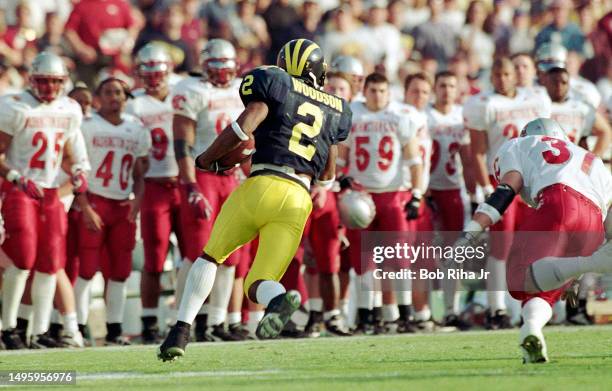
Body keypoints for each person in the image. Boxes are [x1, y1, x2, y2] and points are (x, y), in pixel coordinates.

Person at [158, 38, 352, 361]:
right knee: (258, 282)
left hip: (263, 183)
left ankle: (180, 330)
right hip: (299, 198)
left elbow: (244, 125)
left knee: (210, 257)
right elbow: (328, 174)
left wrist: (207, 158)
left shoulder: (274, 82)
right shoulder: (336, 108)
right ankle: (277, 301)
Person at [456, 118, 611, 363]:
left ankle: (588, 263)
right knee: (542, 289)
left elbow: (507, 190)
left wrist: (471, 231)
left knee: (518, 280)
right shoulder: (591, 158)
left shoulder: (519, 144)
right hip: (594, 224)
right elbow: (608, 218)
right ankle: (532, 330)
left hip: (557, 202)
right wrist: (580, 269)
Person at [0, 52, 88, 349]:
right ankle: (7, 327)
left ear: (63, 82)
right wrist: (15, 178)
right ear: (31, 80)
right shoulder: (16, 106)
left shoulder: (70, 109)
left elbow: (73, 150)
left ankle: (35, 330)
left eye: (55, 82)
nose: (49, 87)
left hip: (51, 191)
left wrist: (78, 171)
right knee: (23, 258)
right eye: (43, 81)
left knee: (50, 263)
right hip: (22, 188)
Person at [463, 57, 551, 329]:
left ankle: (529, 303)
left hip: (530, 179)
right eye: (497, 74)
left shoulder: (536, 99)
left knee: (532, 243)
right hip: (500, 179)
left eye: (506, 74)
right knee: (500, 247)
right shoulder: (484, 104)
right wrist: (484, 187)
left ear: (515, 75)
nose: (502, 79)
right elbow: (477, 151)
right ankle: (496, 308)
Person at [170, 39, 245, 342]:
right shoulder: (191, 91)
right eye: (216, 67)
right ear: (204, 66)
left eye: (227, 67)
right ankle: (185, 319)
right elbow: (183, 145)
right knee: (200, 251)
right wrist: (190, 185)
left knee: (232, 253)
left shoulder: (243, 89)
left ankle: (218, 321)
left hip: (233, 175)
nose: (223, 73)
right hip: (204, 175)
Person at [338, 72, 423, 334]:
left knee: (399, 258)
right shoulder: (353, 114)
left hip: (392, 193)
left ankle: (405, 313)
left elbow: (414, 160)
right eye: (373, 90)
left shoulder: (400, 117)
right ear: (365, 90)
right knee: (363, 259)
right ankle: (366, 314)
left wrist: (417, 193)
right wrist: (342, 179)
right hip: (362, 195)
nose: (377, 95)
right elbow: (341, 157)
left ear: (389, 92)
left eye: (382, 91)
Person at [74, 77, 151, 346]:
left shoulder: (137, 128)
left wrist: (137, 200)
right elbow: (76, 169)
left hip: (122, 205)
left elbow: (141, 173)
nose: (114, 97)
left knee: (120, 270)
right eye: (107, 92)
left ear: (125, 97)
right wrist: (84, 206)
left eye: (118, 93)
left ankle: (114, 329)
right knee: (86, 268)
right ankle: (77, 328)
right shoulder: (86, 125)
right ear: (98, 97)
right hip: (95, 200)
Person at [125, 44, 183, 344]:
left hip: (183, 180)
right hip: (153, 184)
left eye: (158, 73)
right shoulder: (133, 103)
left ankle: (192, 317)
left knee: (193, 256)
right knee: (154, 257)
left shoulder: (183, 92)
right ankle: (149, 319)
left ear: (168, 70)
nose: (154, 80)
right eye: (147, 74)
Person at [426, 71, 474, 329]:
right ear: (435, 88)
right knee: (424, 253)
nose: (446, 90)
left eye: (451, 85)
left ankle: (450, 309)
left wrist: (474, 191)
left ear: (457, 90)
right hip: (428, 190)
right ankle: (425, 310)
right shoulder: (424, 114)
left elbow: (467, 159)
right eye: (442, 85)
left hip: (454, 191)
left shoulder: (461, 117)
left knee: (453, 253)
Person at [543, 64, 611, 156]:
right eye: (554, 82)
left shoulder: (581, 107)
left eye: (563, 82)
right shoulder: (537, 104)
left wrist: (593, 159)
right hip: (543, 161)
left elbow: (605, 131)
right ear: (545, 83)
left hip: (572, 162)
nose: (559, 86)